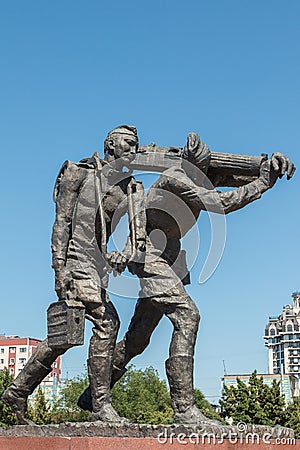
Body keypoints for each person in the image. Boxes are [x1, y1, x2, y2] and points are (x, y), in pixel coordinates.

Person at [77, 131, 295, 425]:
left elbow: (233, 178)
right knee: (187, 316)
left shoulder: (197, 177)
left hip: (170, 260)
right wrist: (263, 184)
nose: (206, 175)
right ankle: (184, 410)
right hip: (149, 255)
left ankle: (93, 394)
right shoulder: (176, 177)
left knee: (138, 339)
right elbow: (222, 203)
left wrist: (269, 167)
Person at [1, 125, 142, 425]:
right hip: (76, 263)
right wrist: (59, 268)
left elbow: (136, 233)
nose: (133, 149)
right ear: (110, 144)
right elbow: (61, 222)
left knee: (62, 338)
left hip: (98, 269)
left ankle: (16, 393)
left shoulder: (130, 188)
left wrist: (125, 254)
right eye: (128, 143)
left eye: (136, 145)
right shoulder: (79, 173)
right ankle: (101, 405)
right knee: (108, 323)